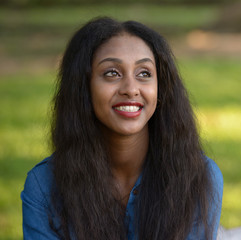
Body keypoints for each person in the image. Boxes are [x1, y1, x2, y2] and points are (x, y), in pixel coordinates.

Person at [21, 17, 223, 240]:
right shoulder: (44, 187)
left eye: (144, 73)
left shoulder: (198, 178)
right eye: (112, 73)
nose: (131, 89)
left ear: (161, 88)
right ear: (83, 88)